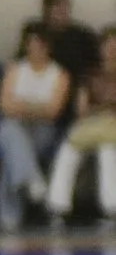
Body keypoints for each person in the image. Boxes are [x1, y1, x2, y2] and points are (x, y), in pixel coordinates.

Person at [0, 24, 68, 230]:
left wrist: (23, 105)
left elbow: (53, 111)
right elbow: (4, 106)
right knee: (10, 132)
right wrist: (35, 107)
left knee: (13, 150)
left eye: (40, 44)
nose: (35, 48)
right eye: (31, 44)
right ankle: (33, 180)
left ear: (48, 47)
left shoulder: (59, 74)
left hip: (43, 130)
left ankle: (10, 215)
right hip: (13, 125)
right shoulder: (15, 69)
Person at [46, 27, 116, 226]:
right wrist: (104, 109)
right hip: (92, 124)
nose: (112, 49)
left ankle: (111, 209)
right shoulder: (89, 73)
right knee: (69, 149)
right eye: (108, 45)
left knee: (108, 151)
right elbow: (81, 109)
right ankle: (57, 207)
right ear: (100, 48)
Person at [41, 0, 100, 113]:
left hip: (77, 90)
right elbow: (21, 62)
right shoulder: (37, 33)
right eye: (57, 6)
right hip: (43, 88)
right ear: (46, 9)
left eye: (66, 6)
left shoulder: (84, 34)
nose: (63, 10)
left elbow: (96, 65)